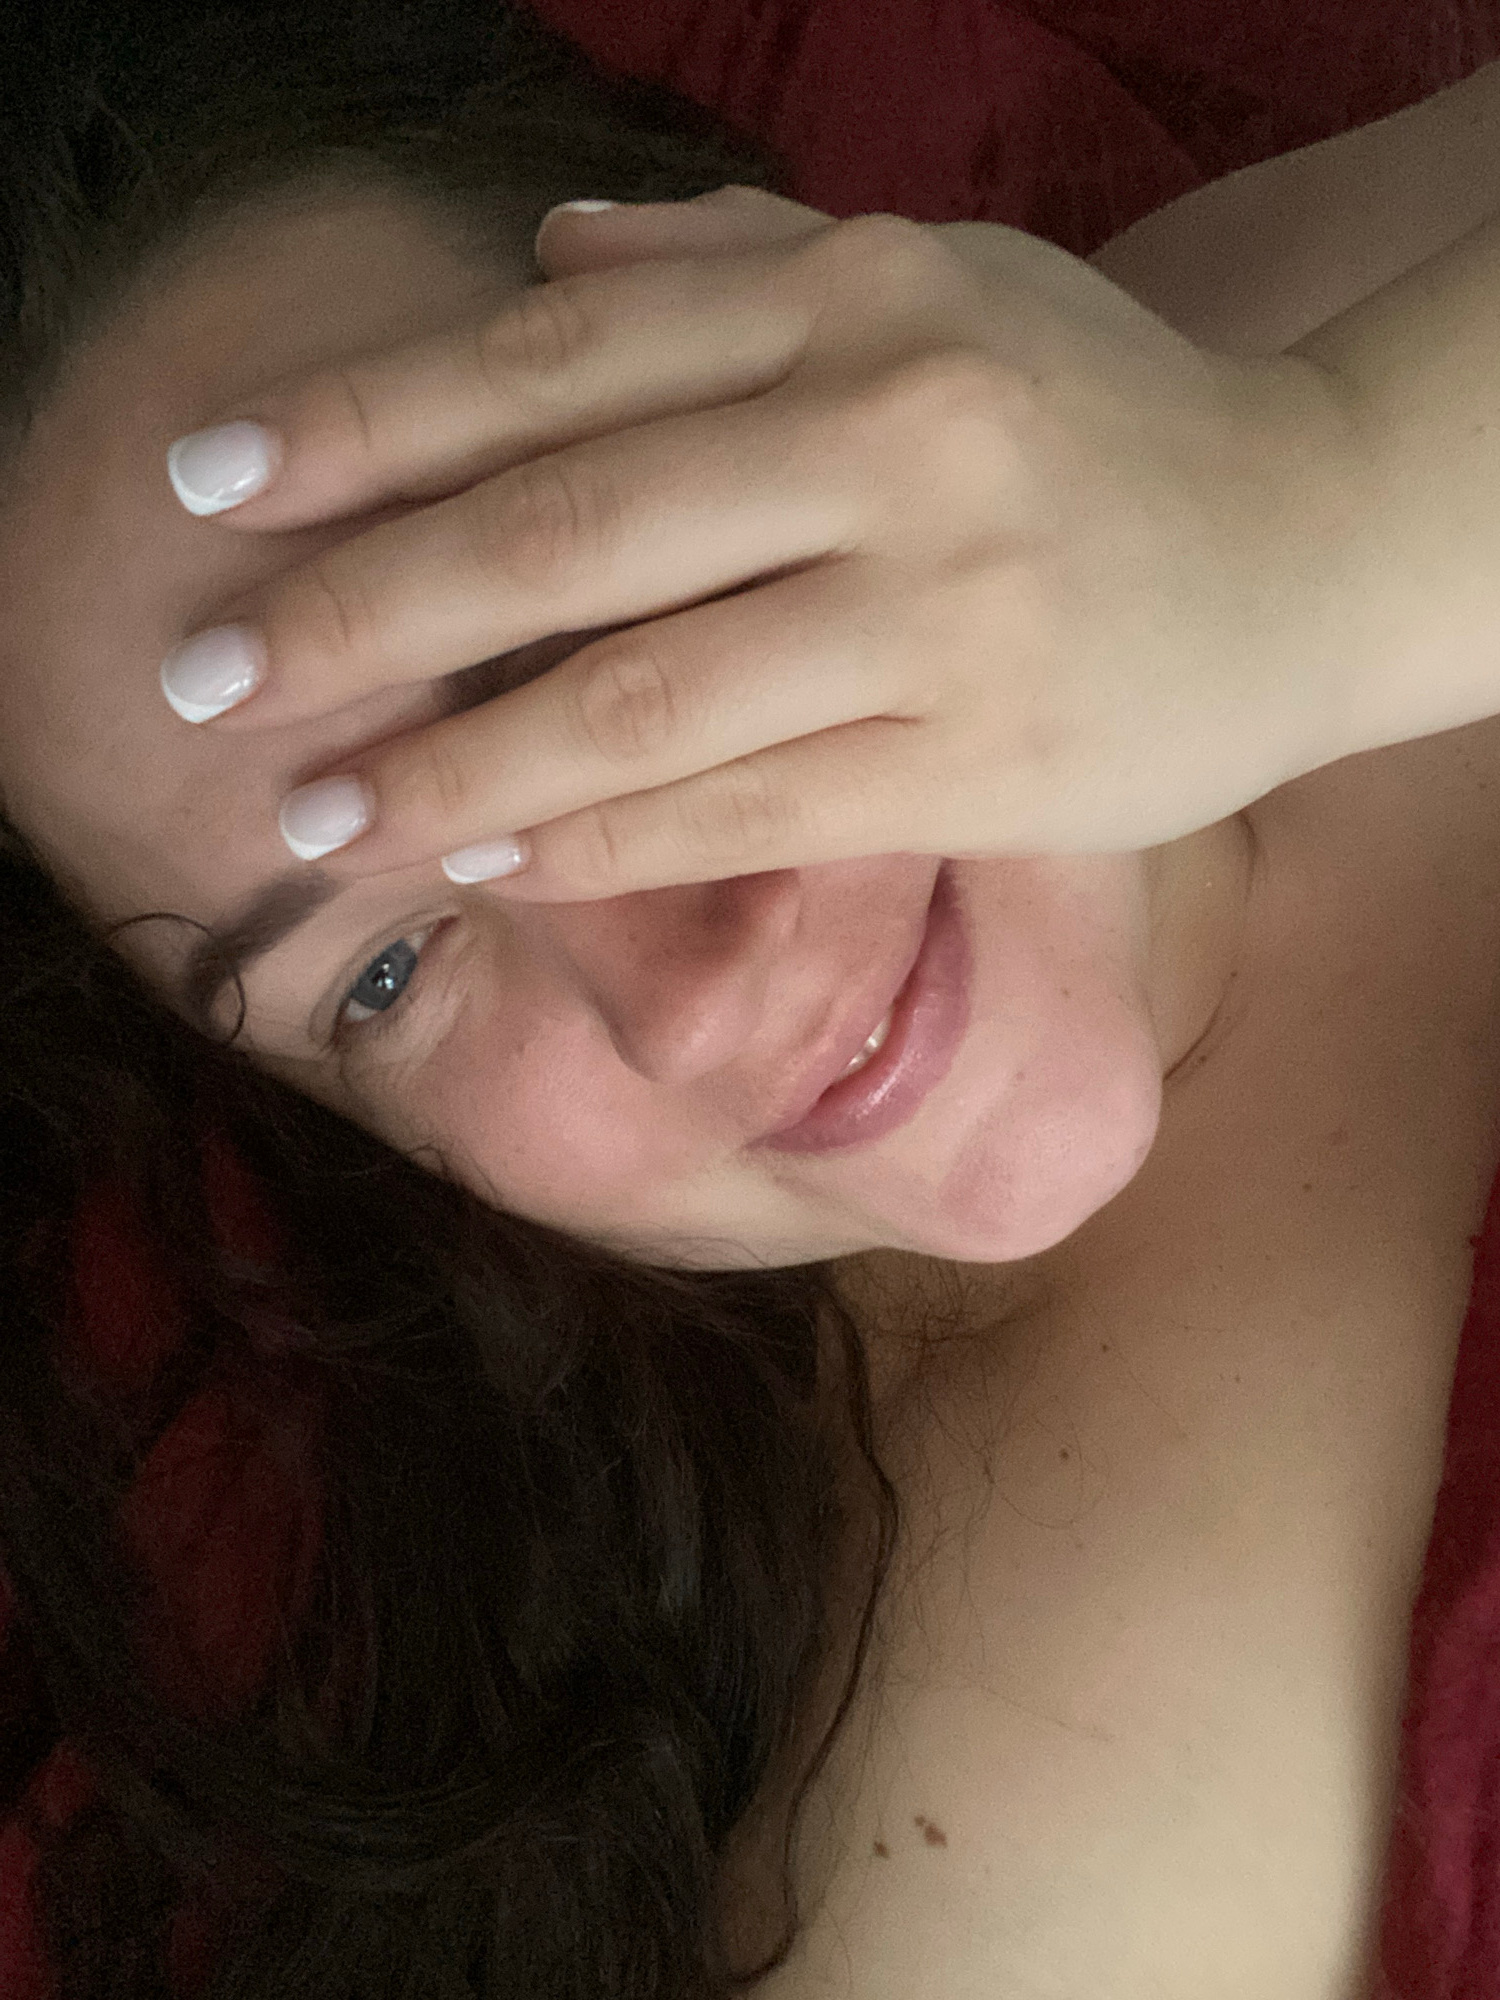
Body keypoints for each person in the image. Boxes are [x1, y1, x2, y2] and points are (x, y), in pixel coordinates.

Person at [4, 0, 1500, 1993]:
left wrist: (1333, 505)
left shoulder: (1334, 311)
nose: (690, 996)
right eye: (382, 973)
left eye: (558, 625)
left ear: (795, 280)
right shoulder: (922, 1824)